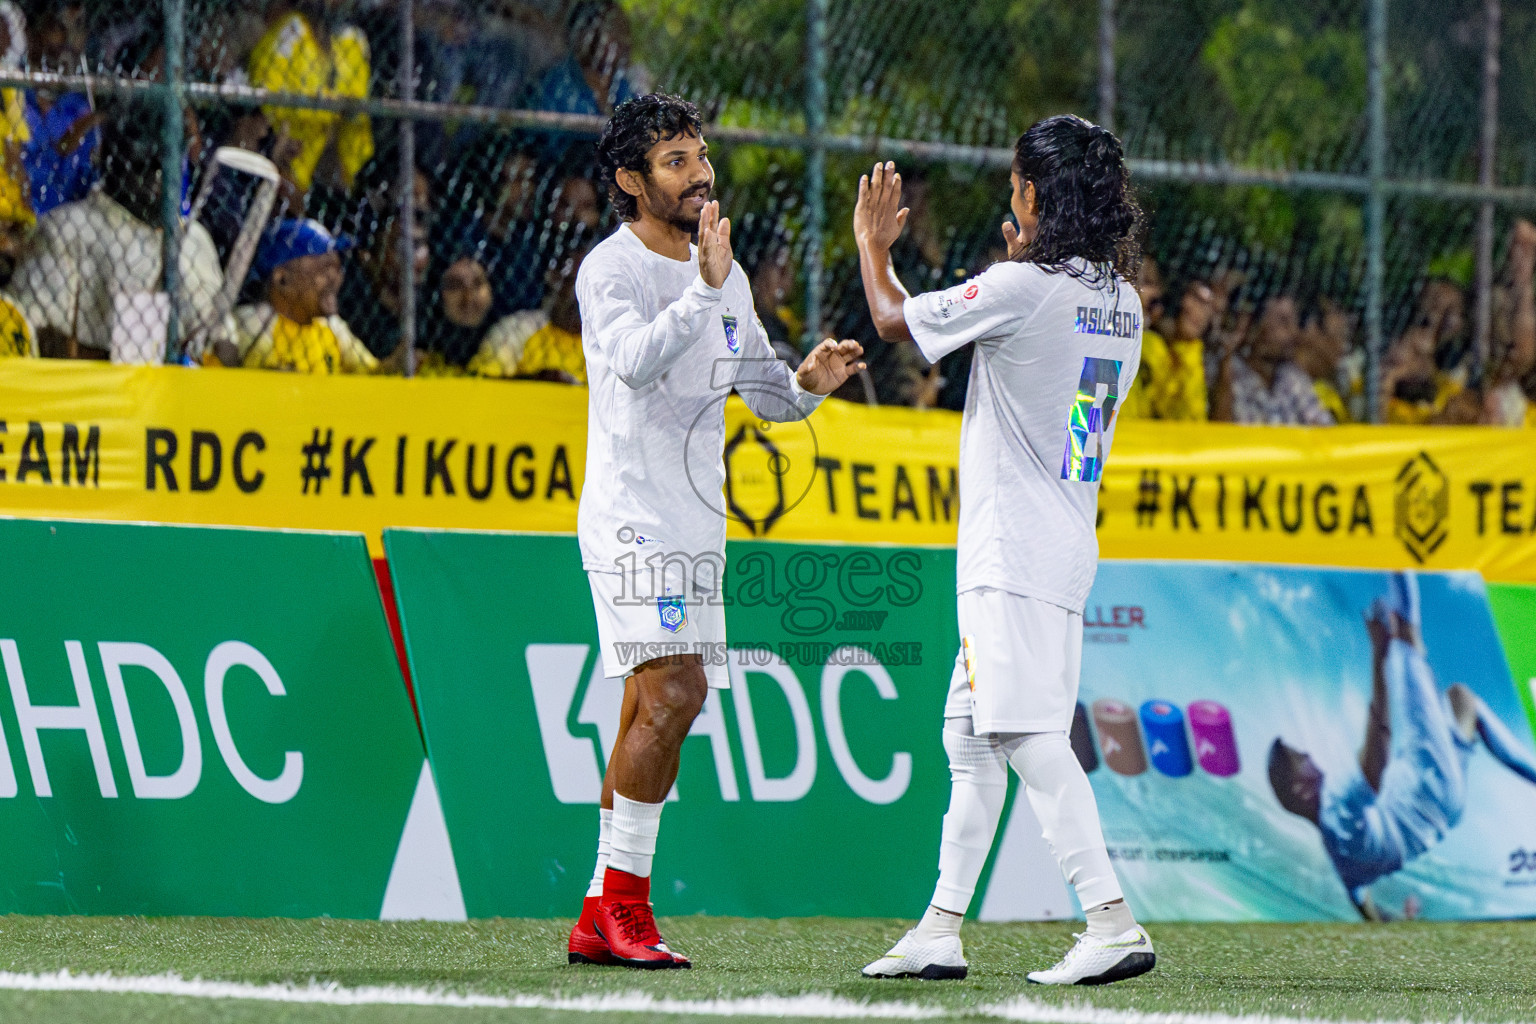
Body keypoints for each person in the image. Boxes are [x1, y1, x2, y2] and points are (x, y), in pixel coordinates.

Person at [853, 115, 1154, 985]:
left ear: (1036, 194)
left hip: (1010, 551)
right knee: (971, 739)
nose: (1009, 192)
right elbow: (1064, 399)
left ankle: (1109, 918)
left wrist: (874, 246)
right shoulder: (1122, 303)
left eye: (1019, 179)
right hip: (1065, 541)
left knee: (1021, 734)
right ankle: (941, 927)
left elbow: (890, 318)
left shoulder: (1024, 285)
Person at [567, 93, 862, 969]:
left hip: (698, 525)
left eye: (700, 156)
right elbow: (634, 360)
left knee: (645, 708)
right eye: (675, 162)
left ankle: (597, 911)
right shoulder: (609, 270)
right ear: (630, 181)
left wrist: (807, 382)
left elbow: (760, 389)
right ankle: (627, 909)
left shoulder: (722, 273)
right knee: (677, 693)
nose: (699, 174)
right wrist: (702, 287)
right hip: (633, 522)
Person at [1269, 572, 1536, 920]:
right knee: (1406, 635)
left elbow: (1361, 901)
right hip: (1425, 782)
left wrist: (1396, 924)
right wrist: (1379, 655)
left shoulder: (1338, 855)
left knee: (1461, 701)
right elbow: (1377, 755)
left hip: (1443, 809)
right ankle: (1399, 550)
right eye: (1298, 759)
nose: (1307, 755)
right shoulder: (1338, 809)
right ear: (1300, 789)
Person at [11, 97, 226, 362]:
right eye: (141, 165)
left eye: (164, 167)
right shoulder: (67, 228)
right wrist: (128, 360)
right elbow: (28, 333)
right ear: (111, 160)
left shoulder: (195, 240)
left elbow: (222, 345)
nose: (155, 179)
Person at [248, 0, 374, 192]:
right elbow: (264, 86)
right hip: (289, 153)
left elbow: (356, 106)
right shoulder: (294, 29)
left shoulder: (353, 41)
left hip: (337, 166)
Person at [235, 218, 379, 374]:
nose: (336, 278)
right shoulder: (253, 325)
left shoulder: (332, 328)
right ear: (282, 279)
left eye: (338, 268)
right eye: (324, 268)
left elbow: (374, 373)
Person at [468, 244, 589, 382]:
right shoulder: (518, 329)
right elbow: (486, 383)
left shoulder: (604, 339)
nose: (579, 294)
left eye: (589, 285)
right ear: (553, 280)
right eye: (572, 282)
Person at [1211, 293, 1334, 425]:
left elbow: (1324, 430)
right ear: (1254, 326)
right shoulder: (1230, 374)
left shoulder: (1292, 377)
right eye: (1283, 322)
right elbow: (1223, 431)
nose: (1293, 332)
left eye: (1294, 322)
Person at [21, 8, 98, 217]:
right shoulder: (14, 98)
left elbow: (89, 180)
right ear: (31, 34)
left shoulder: (82, 107)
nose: (69, 39)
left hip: (72, 228)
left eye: (78, 28)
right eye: (58, 27)